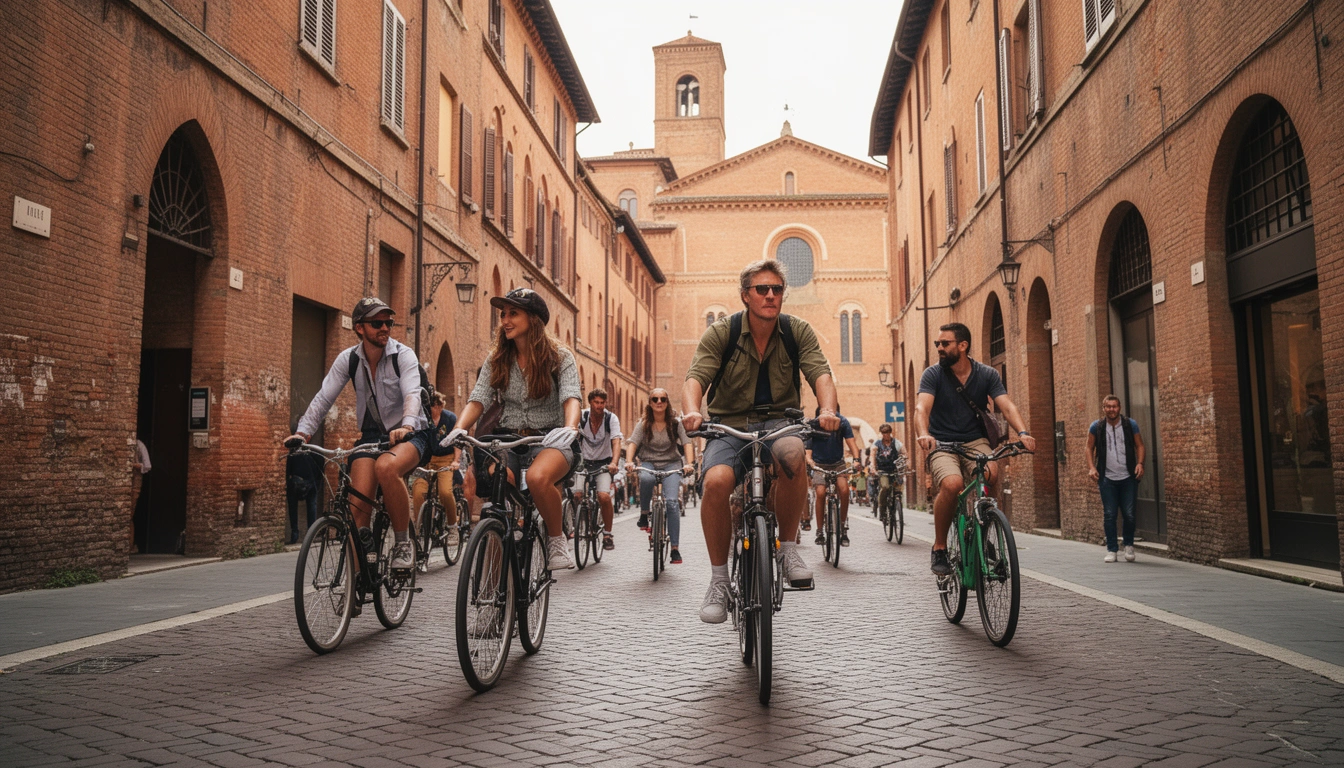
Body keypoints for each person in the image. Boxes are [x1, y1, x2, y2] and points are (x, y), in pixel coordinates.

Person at [682, 259, 840, 623]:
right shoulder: (721, 332)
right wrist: (692, 411)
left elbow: (820, 373)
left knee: (793, 454)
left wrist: (827, 408)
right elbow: (695, 378)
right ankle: (719, 581)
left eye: (777, 290)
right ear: (745, 296)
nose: (771, 295)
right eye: (762, 289)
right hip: (729, 425)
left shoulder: (796, 330)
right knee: (717, 482)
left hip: (780, 422)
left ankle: (786, 550)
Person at [441, 288, 582, 570]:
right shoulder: (497, 359)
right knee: (497, 483)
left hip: (550, 437)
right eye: (502, 314)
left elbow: (571, 397)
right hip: (507, 438)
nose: (505, 319)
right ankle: (499, 555)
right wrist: (458, 428)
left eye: (513, 313)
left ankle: (556, 539)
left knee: (540, 478)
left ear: (533, 319)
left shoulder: (560, 357)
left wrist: (570, 427)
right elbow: (478, 399)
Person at [287, 297, 431, 571]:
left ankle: (402, 543)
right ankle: (354, 584)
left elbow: (412, 392)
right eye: (377, 323)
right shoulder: (349, 359)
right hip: (373, 435)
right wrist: (303, 433)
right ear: (359, 328)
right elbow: (323, 398)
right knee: (357, 507)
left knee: (387, 468)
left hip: (413, 434)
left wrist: (407, 425)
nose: (385, 328)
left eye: (388, 322)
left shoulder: (404, 356)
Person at [914, 322, 1036, 577]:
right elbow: (921, 409)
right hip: (942, 442)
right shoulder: (933, 375)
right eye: (938, 343)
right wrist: (924, 433)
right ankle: (939, 547)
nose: (939, 348)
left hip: (975, 440)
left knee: (991, 472)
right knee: (952, 483)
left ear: (962, 346)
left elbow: (1007, 406)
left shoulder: (987, 374)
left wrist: (1023, 433)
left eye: (944, 343)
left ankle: (985, 525)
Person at [625, 388, 695, 564]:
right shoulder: (643, 424)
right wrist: (629, 461)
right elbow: (633, 443)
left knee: (672, 503)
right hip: (649, 462)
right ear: (650, 403)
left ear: (667, 402)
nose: (659, 402)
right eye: (655, 399)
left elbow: (687, 443)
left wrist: (689, 464)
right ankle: (644, 513)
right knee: (646, 478)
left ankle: (675, 549)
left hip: (671, 463)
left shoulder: (676, 423)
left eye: (662, 399)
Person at [1086, 394, 1146, 563]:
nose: (1111, 409)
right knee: (1110, 514)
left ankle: (1128, 545)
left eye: (1114, 406)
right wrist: (1092, 467)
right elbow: (1089, 447)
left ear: (1119, 408)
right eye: (1108, 407)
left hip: (1128, 477)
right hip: (1107, 478)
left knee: (1129, 514)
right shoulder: (1096, 427)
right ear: (1103, 408)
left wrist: (1140, 463)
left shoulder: (1129, 425)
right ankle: (1112, 549)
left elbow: (1140, 445)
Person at [411, 391, 463, 549]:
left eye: (432, 407)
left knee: (445, 492)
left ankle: (453, 527)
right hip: (426, 460)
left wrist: (455, 461)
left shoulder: (450, 418)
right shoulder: (424, 419)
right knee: (418, 492)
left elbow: (457, 441)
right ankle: (421, 529)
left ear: (439, 406)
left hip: (445, 459)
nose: (429, 410)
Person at [571, 389, 622, 550]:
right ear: (590, 403)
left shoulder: (611, 419)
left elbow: (616, 441)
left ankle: (607, 533)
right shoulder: (582, 417)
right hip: (583, 462)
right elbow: (572, 436)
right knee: (577, 495)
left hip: (604, 463)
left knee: (604, 496)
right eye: (596, 402)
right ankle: (582, 521)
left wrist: (614, 462)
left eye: (602, 403)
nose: (599, 406)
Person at [806, 406, 860, 547]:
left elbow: (852, 443)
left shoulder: (842, 422)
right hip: (819, 464)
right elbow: (808, 451)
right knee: (820, 492)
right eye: (825, 410)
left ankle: (843, 528)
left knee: (844, 490)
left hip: (838, 463)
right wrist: (810, 461)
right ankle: (819, 531)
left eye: (832, 411)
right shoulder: (814, 425)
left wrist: (856, 460)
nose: (829, 413)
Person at [285, 434, 323, 544]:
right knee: (311, 507)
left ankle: (294, 534)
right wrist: (317, 484)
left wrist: (288, 484)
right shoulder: (315, 452)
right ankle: (311, 535)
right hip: (311, 484)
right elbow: (320, 471)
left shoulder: (292, 453)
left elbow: (288, 472)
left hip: (296, 484)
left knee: (293, 508)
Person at [870, 423, 906, 512]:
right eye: (883, 433)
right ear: (881, 434)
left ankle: (896, 505)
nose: (885, 435)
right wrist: (873, 467)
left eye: (887, 433)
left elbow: (905, 454)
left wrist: (907, 464)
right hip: (883, 471)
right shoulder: (877, 444)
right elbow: (873, 455)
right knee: (885, 487)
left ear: (890, 433)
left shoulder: (896, 443)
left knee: (898, 489)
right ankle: (882, 507)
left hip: (894, 470)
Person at [130, 435, 151, 554]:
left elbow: (147, 465)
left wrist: (137, 466)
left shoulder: (139, 444)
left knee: (129, 515)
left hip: (135, 483)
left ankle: (130, 546)